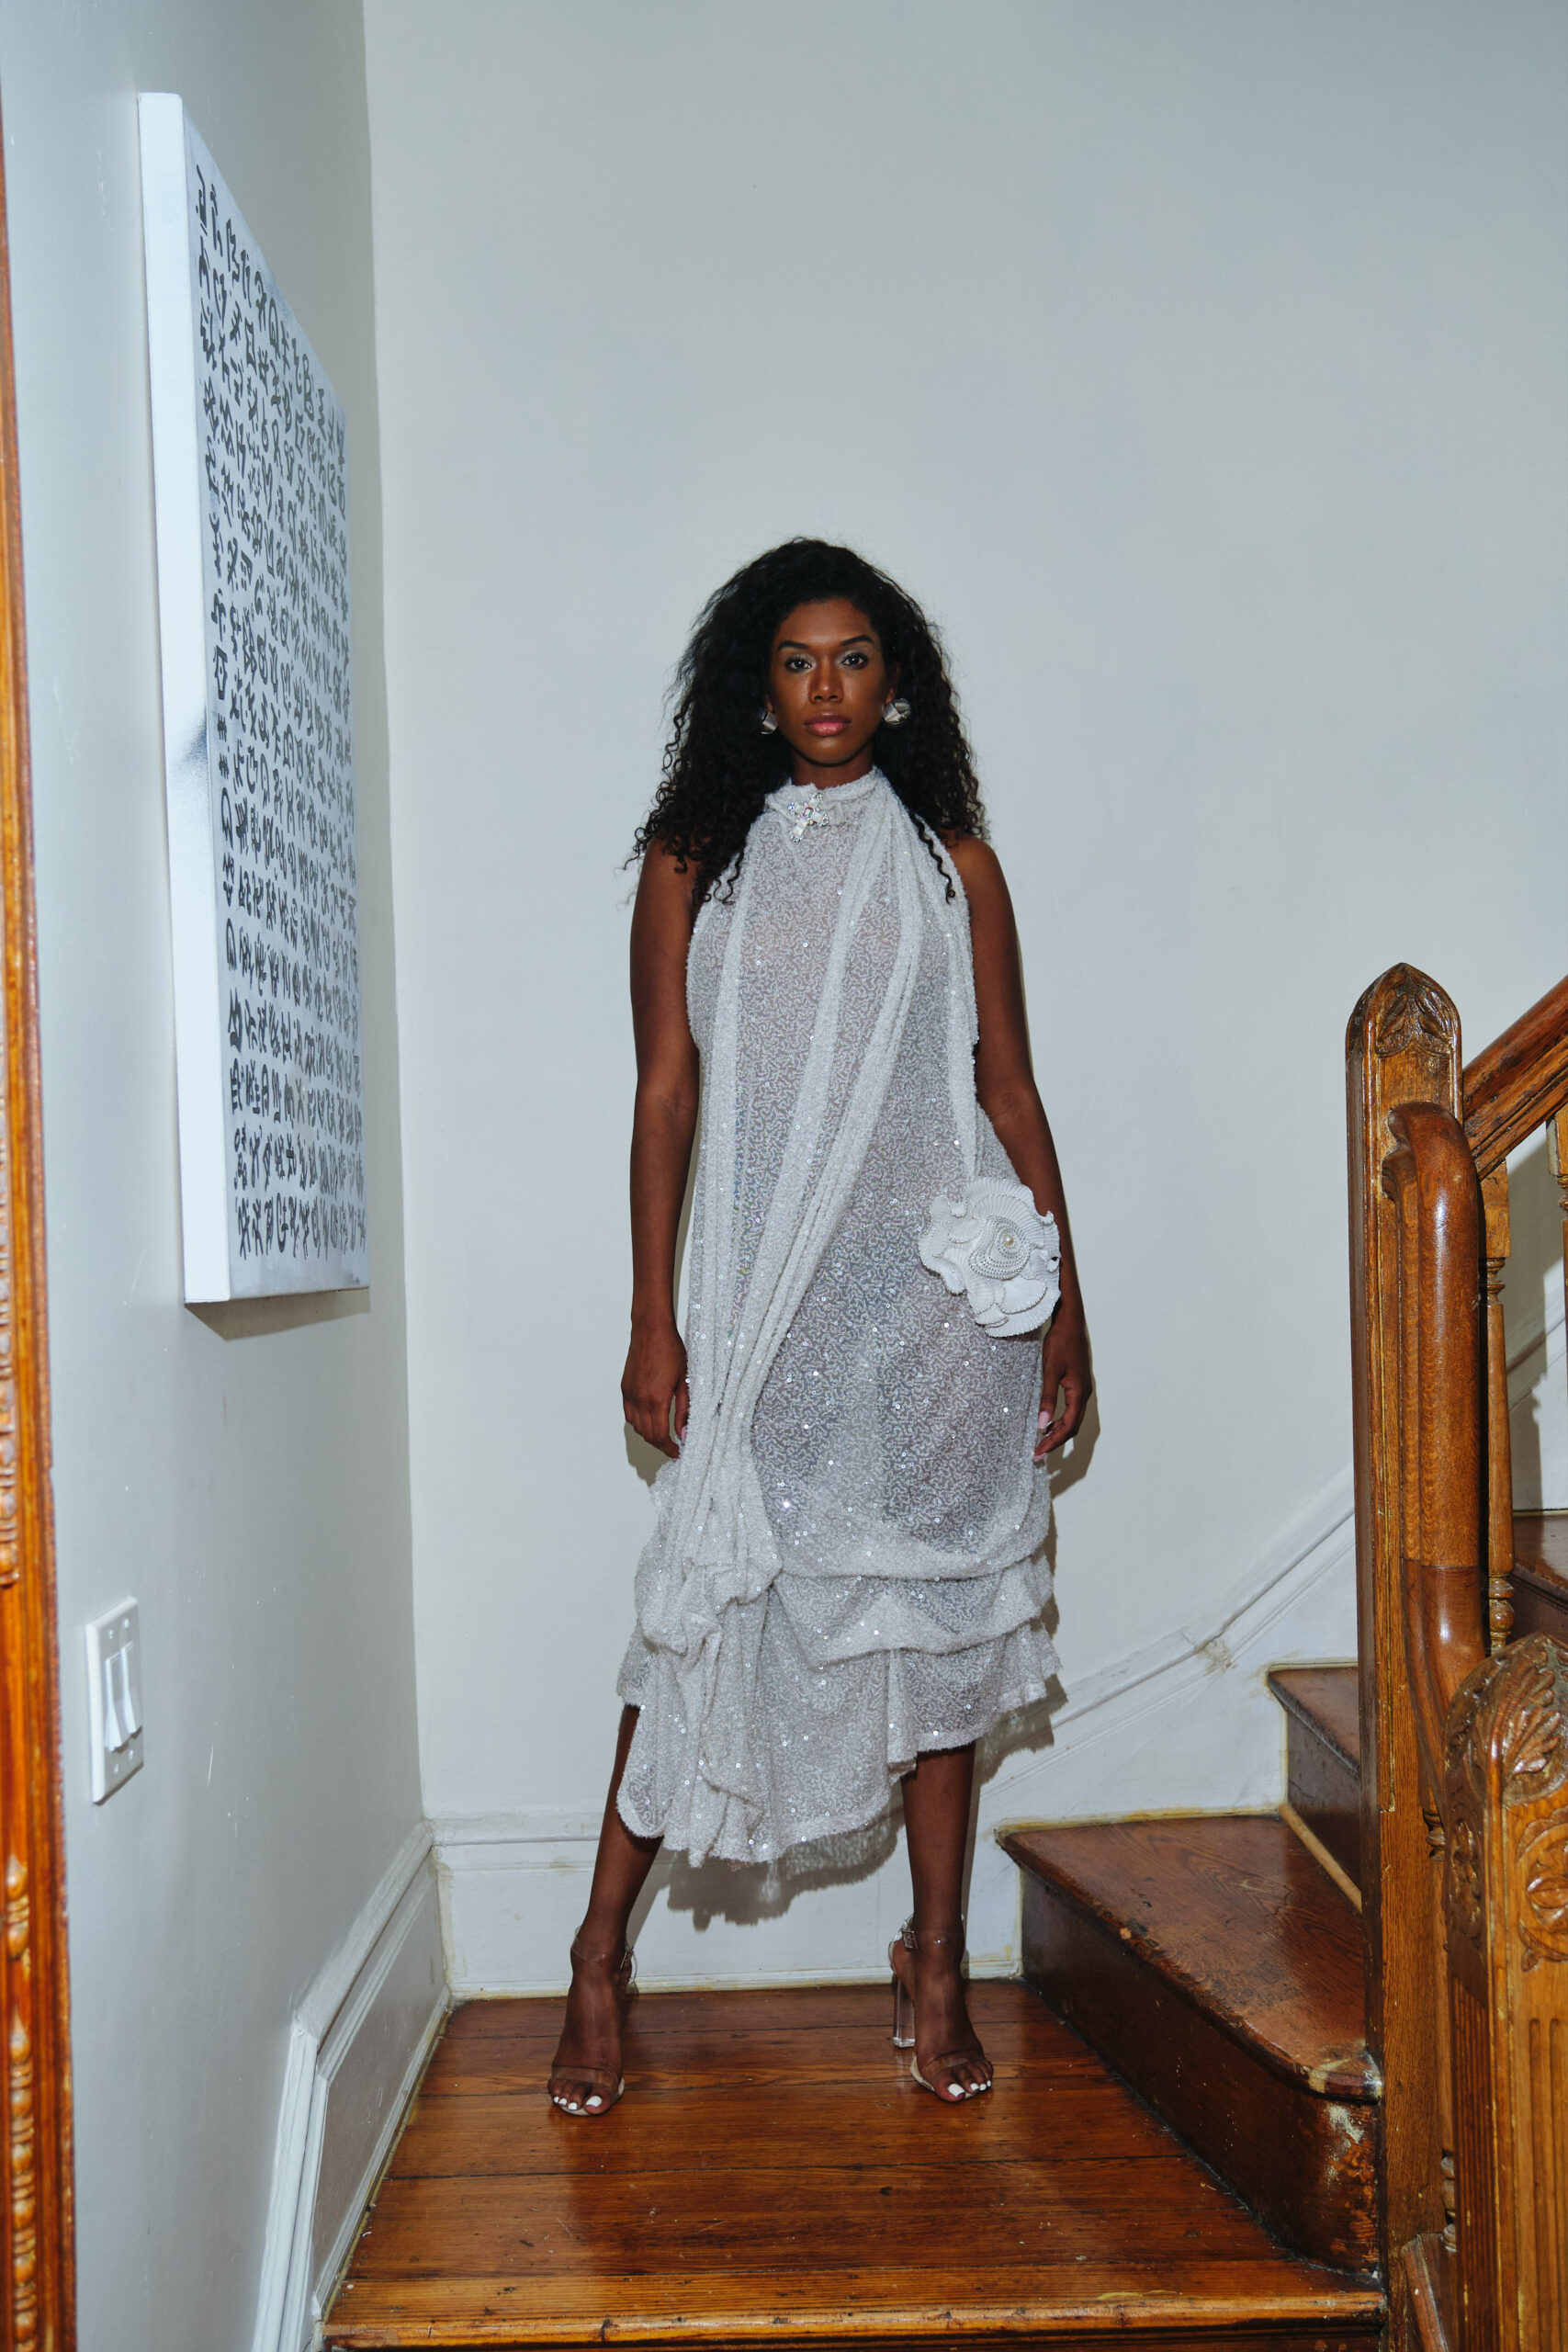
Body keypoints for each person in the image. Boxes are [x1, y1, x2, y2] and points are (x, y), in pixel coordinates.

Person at [548, 540, 1091, 2115]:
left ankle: (939, 1959)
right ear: (757, 684)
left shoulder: (952, 861)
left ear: (895, 680)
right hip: (767, 1314)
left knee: (941, 1632)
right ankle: (598, 1954)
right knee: (701, 1607)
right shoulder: (695, 858)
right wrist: (653, 1316)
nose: (827, 688)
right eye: (796, 660)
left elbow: (1007, 1088)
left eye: (853, 658)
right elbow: (666, 1095)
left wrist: (1066, 1301)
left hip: (939, 1313)